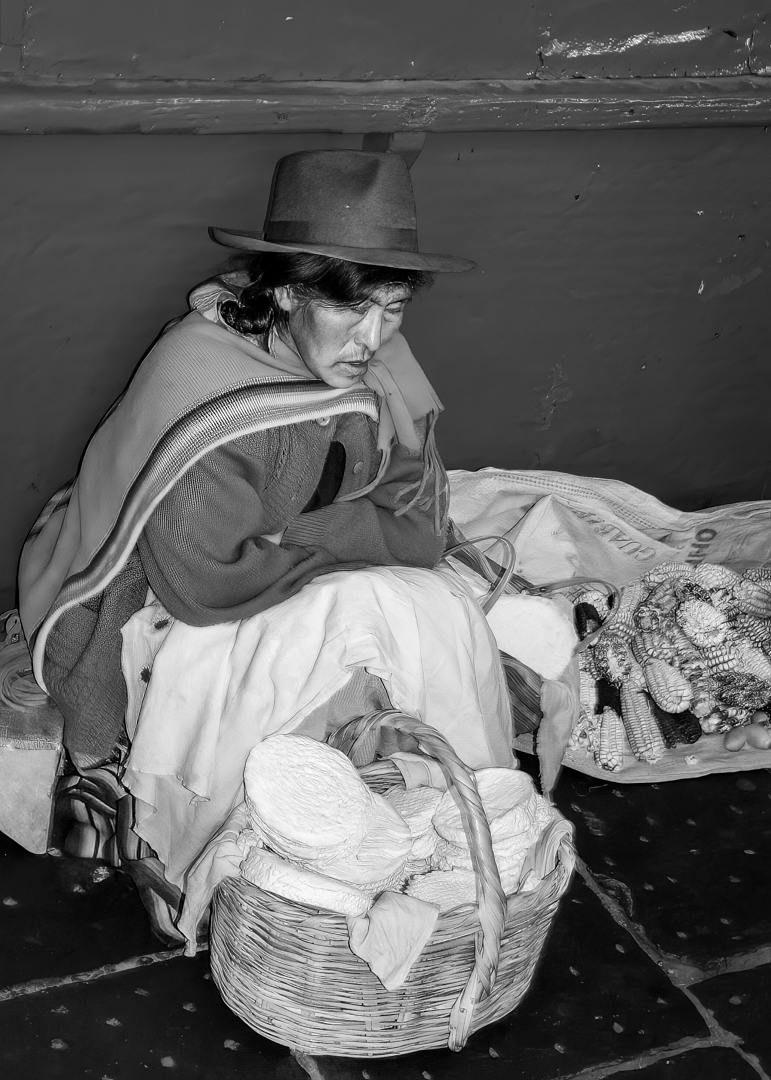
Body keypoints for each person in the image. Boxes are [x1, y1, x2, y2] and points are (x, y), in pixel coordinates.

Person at [17, 149, 519, 934]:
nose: (375, 335)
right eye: (354, 310)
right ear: (287, 289)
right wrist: (353, 539)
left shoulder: (364, 352)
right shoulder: (210, 388)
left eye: (392, 308)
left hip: (270, 561)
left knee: (432, 608)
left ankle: (464, 826)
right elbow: (207, 582)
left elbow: (418, 523)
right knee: (358, 619)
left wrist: (300, 531)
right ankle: (229, 862)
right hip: (158, 590)